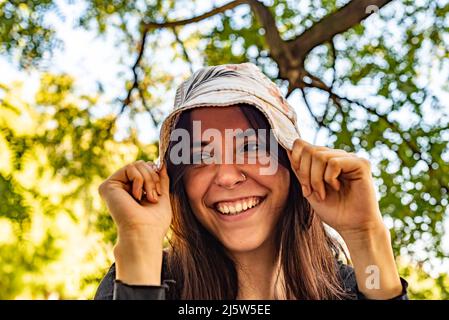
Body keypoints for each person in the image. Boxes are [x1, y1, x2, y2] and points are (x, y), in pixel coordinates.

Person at [94, 63, 408, 300]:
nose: (228, 176)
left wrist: (365, 235)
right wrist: (139, 242)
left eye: (251, 147)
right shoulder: (142, 278)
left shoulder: (356, 289)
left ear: (293, 163)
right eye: (200, 156)